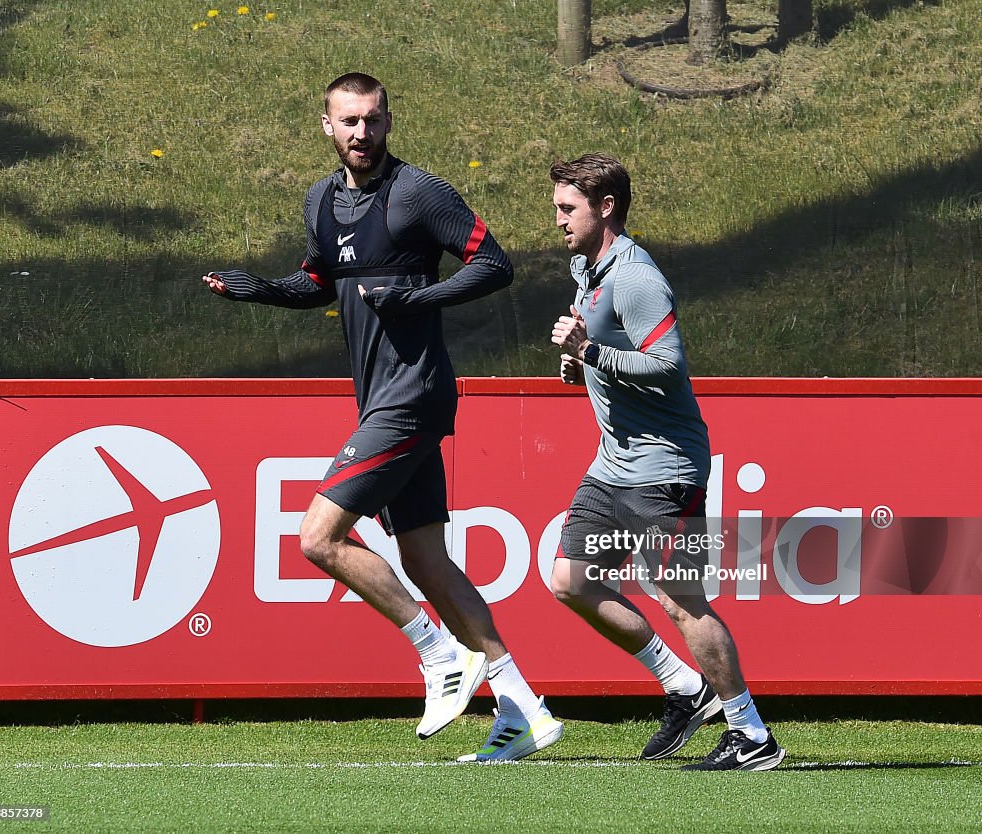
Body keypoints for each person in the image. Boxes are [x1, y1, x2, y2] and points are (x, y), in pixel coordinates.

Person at [201, 72, 562, 763]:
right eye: (348, 121)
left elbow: (495, 264)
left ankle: (439, 654)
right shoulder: (320, 200)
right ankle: (525, 710)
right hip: (381, 396)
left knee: (316, 538)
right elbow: (317, 281)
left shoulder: (419, 193)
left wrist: (420, 300)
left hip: (414, 394)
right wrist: (263, 291)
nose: (360, 132)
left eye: (371, 119)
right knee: (428, 560)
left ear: (389, 120)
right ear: (326, 127)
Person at [548, 153, 784, 771]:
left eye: (567, 208)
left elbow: (668, 366)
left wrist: (591, 351)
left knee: (680, 598)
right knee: (569, 580)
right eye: (556, 207)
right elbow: (609, 357)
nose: (558, 220)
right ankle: (684, 686)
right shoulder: (585, 266)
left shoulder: (637, 278)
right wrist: (581, 364)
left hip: (666, 468)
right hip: (612, 464)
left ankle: (752, 734)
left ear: (606, 209)